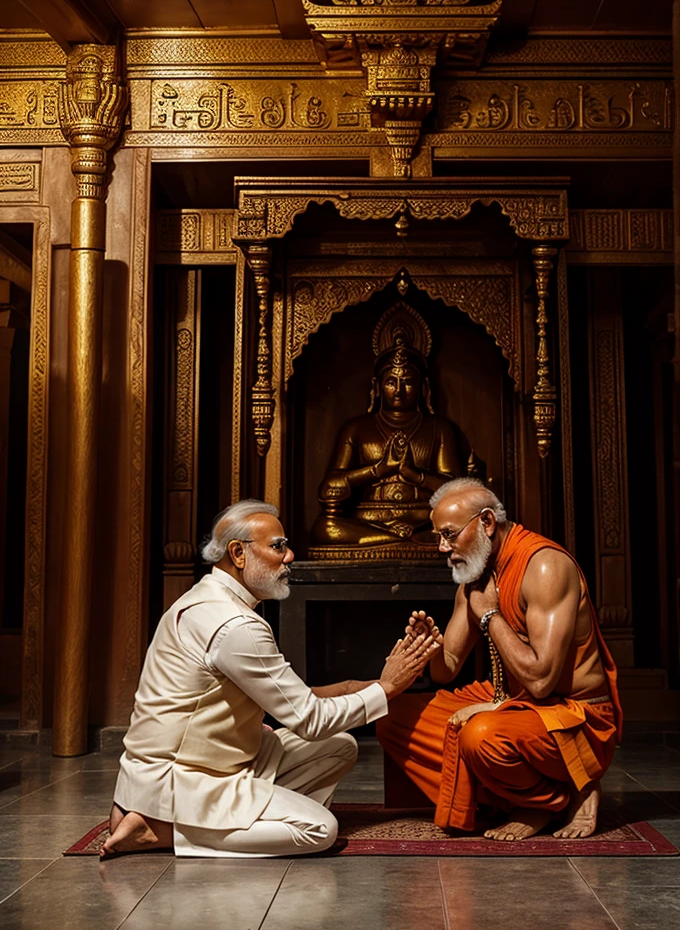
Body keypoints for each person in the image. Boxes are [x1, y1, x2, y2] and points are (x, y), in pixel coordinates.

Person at [102, 499, 437, 859]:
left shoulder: (210, 599)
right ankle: (164, 830)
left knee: (340, 746)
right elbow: (307, 719)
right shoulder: (234, 626)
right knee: (319, 829)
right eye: (278, 546)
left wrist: (374, 683)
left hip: (213, 765)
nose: (289, 556)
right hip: (184, 780)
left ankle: (232, 816)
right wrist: (388, 689)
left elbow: (290, 699)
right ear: (238, 553)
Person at [377, 477, 622, 841]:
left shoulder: (544, 567)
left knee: (480, 736)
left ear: (487, 523)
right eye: (438, 537)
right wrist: (425, 649)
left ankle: (545, 800)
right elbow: (447, 671)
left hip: (573, 717)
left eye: (449, 534)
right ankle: (519, 796)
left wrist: (490, 616)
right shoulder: (476, 574)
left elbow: (541, 681)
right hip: (514, 703)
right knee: (391, 716)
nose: (442, 547)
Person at [311, 302, 460, 548]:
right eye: (391, 382)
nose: (399, 390)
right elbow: (328, 489)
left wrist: (416, 476)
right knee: (325, 528)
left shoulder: (438, 429)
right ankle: (396, 539)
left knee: (454, 530)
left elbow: (457, 492)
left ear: (423, 388)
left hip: (427, 523)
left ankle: (399, 539)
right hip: (367, 523)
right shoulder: (356, 429)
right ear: (377, 387)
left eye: (408, 382)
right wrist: (379, 470)